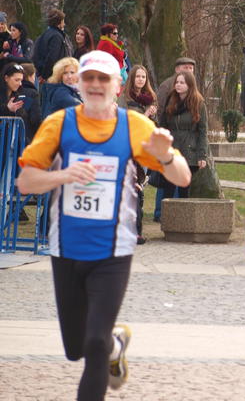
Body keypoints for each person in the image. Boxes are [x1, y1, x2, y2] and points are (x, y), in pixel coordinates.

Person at [16, 50, 191, 400]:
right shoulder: (59, 124)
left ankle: (105, 344)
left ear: (117, 86)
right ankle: (114, 344)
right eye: (89, 78)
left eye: (103, 79)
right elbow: (25, 182)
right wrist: (64, 175)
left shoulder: (134, 126)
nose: (96, 85)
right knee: (75, 348)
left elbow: (182, 177)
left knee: (93, 343)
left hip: (113, 252)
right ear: (79, 83)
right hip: (66, 249)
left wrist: (165, 156)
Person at [118, 65, 158, 244]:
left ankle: (137, 229)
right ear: (132, 78)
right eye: (138, 76)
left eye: (143, 77)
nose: (141, 79)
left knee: (140, 186)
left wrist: (152, 116)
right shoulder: (124, 98)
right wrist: (146, 115)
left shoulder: (150, 98)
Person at [153, 57, 196, 221]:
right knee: (166, 182)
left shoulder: (192, 88)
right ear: (177, 69)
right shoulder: (167, 86)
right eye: (186, 67)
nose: (189, 70)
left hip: (186, 145)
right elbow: (162, 113)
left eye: (191, 68)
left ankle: (177, 216)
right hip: (170, 141)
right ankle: (161, 213)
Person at [159, 70, 207, 199]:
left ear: (190, 85)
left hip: (189, 151)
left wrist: (202, 155)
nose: (178, 85)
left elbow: (203, 131)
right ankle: (166, 212)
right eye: (177, 82)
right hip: (172, 150)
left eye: (182, 83)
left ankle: (184, 212)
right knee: (168, 188)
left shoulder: (199, 103)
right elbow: (163, 125)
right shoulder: (171, 100)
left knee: (184, 190)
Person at [0, 63, 41, 143]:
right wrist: (7, 109)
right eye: (16, 80)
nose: (20, 83)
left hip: (16, 142)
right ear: (6, 78)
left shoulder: (20, 95)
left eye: (21, 80)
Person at [32, 8, 73, 83]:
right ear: (59, 22)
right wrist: (44, 75)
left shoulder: (44, 34)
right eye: (63, 21)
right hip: (53, 76)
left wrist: (40, 73)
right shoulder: (56, 36)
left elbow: (36, 55)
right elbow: (52, 57)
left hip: (44, 74)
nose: (64, 24)